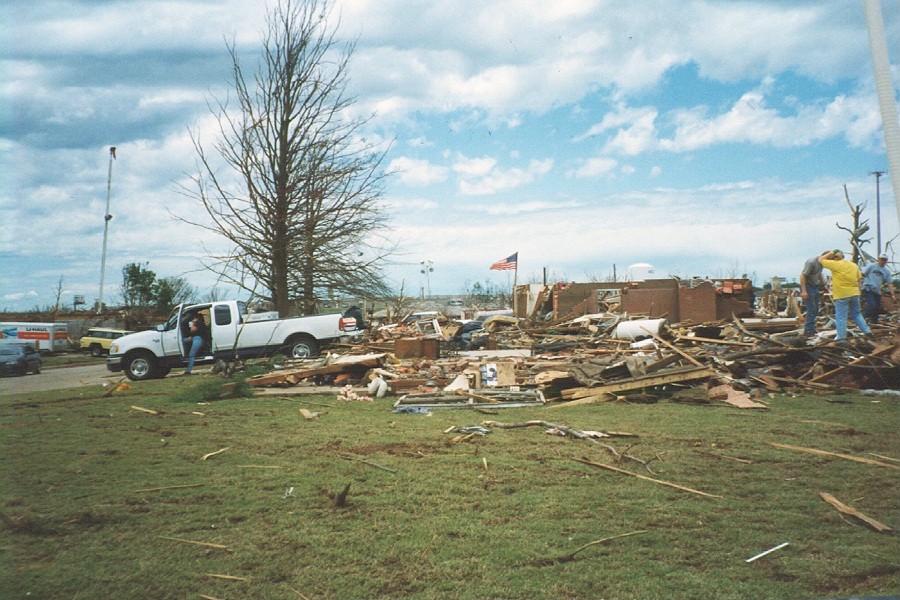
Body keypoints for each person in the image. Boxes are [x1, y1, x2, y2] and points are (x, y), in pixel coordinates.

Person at [818, 249, 872, 342]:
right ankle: (867, 331)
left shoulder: (835, 264)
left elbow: (820, 260)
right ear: (843, 256)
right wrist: (858, 292)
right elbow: (859, 279)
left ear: (834, 258)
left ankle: (842, 339)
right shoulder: (853, 265)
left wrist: (830, 253)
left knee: (841, 318)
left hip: (842, 294)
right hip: (854, 293)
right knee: (857, 314)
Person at [861, 253, 896, 324]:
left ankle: (874, 323)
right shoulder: (871, 266)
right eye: (882, 259)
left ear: (886, 261)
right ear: (878, 259)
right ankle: (860, 319)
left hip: (876, 291)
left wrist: (893, 294)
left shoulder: (886, 271)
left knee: (877, 308)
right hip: (868, 288)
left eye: (885, 260)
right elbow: (862, 274)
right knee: (872, 306)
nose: (883, 261)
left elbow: (890, 283)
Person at [799, 251, 828, 336]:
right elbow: (802, 276)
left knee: (815, 309)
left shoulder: (821, 264)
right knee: (811, 309)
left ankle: (811, 328)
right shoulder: (812, 262)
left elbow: (819, 274)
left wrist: (824, 284)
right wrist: (804, 291)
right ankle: (808, 331)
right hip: (808, 287)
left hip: (815, 286)